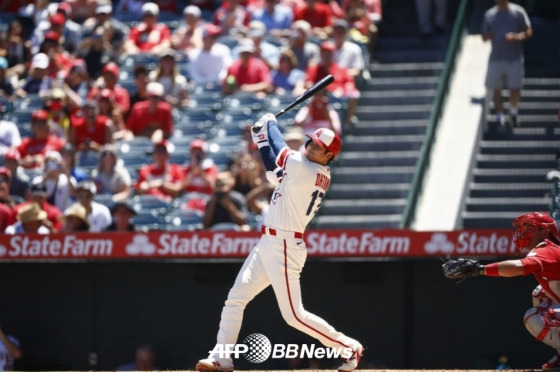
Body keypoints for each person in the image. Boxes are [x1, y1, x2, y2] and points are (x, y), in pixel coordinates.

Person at [195, 113, 363, 372]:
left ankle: (348, 347)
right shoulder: (307, 168)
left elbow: (279, 150)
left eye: (319, 147)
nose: (311, 146)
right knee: (236, 298)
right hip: (270, 242)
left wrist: (269, 126)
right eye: (312, 142)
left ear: (329, 156)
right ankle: (222, 357)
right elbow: (274, 172)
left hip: (284, 245)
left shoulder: (304, 167)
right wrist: (262, 139)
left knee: (294, 315)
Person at [442, 212, 560, 370]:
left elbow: (518, 267)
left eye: (528, 227)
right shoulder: (551, 249)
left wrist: (479, 270)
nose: (522, 231)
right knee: (539, 294)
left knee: (533, 316)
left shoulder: (546, 249)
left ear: (544, 232)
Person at [482, 0, 532, 128]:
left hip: (514, 58)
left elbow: (528, 31)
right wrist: (487, 36)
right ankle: (500, 116)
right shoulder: (489, 15)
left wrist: (517, 37)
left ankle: (513, 112)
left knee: (515, 88)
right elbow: (484, 35)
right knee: (496, 88)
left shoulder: (518, 12)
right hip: (496, 58)